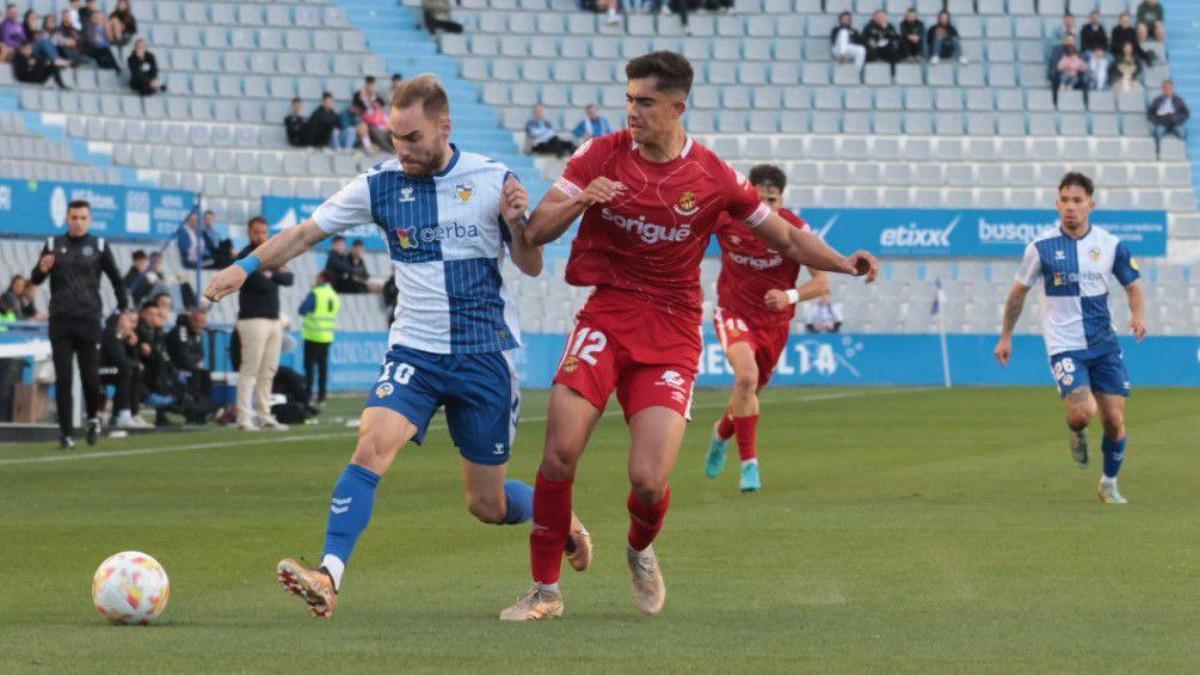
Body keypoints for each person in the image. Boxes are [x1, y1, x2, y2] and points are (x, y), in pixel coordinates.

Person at [499, 51, 878, 621]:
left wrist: (845, 264)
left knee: (649, 481)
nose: (632, 111)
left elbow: (789, 242)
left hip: (674, 330)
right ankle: (545, 589)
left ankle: (639, 547)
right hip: (608, 316)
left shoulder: (713, 176)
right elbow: (536, 231)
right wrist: (582, 198)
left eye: (645, 102)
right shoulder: (598, 154)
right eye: (628, 99)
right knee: (558, 453)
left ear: (678, 106)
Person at [202, 73, 569, 620]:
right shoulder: (378, 185)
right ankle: (329, 574)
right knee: (371, 446)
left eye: (413, 138)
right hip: (414, 352)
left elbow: (532, 265)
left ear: (445, 127)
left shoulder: (493, 181)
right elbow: (305, 234)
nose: (402, 150)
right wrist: (244, 265)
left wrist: (518, 223)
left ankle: (562, 519)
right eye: (395, 138)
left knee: (487, 505)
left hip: (482, 355)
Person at [994, 172, 1145, 505]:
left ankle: (1108, 483)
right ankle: (1076, 431)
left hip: (1104, 345)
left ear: (1091, 204)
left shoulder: (1111, 245)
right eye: (1064, 200)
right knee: (1082, 413)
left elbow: (1132, 287)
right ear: (1057, 204)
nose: (1070, 207)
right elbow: (1018, 293)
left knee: (1113, 419)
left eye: (1077, 201)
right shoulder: (1040, 248)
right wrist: (1006, 336)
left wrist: (1137, 316)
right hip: (1064, 345)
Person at [704, 165, 829, 493]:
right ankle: (749, 466)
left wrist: (789, 295)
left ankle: (720, 433)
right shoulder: (727, 220)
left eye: (771, 201)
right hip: (733, 312)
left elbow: (821, 282)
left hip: (774, 323)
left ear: (781, 200)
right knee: (745, 378)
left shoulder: (794, 228)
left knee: (748, 395)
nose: (765, 208)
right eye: (758, 200)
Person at [29, 200, 128, 449]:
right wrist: (41, 269)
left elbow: (117, 280)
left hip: (89, 320)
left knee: (90, 377)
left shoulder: (100, 246)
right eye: (74, 217)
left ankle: (93, 418)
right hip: (60, 320)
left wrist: (124, 310)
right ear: (67, 218)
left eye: (83, 218)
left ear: (90, 220)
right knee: (63, 378)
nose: (78, 222)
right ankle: (66, 434)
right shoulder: (53, 244)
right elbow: (36, 278)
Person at [232, 216, 293, 431]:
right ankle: (243, 416)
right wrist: (274, 275)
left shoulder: (273, 253)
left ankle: (264, 414)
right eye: (257, 232)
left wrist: (272, 274)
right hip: (253, 319)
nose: (261, 236)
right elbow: (261, 283)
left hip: (273, 318)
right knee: (250, 369)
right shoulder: (244, 256)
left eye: (264, 232)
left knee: (268, 370)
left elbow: (289, 279)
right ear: (249, 233)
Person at [100, 309, 152, 429]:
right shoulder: (110, 333)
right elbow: (117, 359)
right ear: (121, 321)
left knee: (133, 370)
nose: (133, 326)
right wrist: (135, 364)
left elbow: (128, 359)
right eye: (130, 321)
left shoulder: (122, 336)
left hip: (111, 369)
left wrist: (132, 345)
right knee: (126, 370)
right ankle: (123, 415)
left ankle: (133, 414)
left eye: (135, 322)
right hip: (98, 370)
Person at [165, 305, 216, 424]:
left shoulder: (197, 334)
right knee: (197, 375)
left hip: (188, 369)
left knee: (205, 375)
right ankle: (196, 412)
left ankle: (202, 410)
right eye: (196, 321)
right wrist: (194, 363)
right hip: (173, 369)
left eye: (203, 321)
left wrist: (193, 362)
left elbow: (200, 354)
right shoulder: (181, 330)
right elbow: (182, 355)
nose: (200, 324)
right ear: (190, 319)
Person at [298, 271, 340, 405]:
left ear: (322, 279)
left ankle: (308, 395)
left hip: (313, 335)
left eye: (317, 277)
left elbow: (302, 310)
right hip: (327, 336)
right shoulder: (334, 295)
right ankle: (322, 396)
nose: (315, 280)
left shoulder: (316, 293)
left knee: (309, 367)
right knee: (323, 368)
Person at [1147, 79, 1189, 158]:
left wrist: (1178, 119)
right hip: (1162, 124)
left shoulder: (1179, 100)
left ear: (1173, 89)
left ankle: (1184, 151)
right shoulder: (1157, 100)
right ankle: (1158, 152)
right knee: (1157, 132)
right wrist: (1157, 121)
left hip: (1175, 124)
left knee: (1183, 132)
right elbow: (1150, 114)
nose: (1168, 90)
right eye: (1166, 88)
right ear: (1162, 89)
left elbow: (1186, 113)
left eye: (1170, 88)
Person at [81, 6, 118, 71]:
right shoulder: (88, 27)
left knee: (107, 49)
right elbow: (91, 41)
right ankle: (114, 66)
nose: (97, 19)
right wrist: (101, 45)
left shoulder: (99, 27)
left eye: (98, 18)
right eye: (95, 17)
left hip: (98, 48)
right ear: (91, 18)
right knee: (105, 49)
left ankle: (113, 66)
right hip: (89, 49)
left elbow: (108, 39)